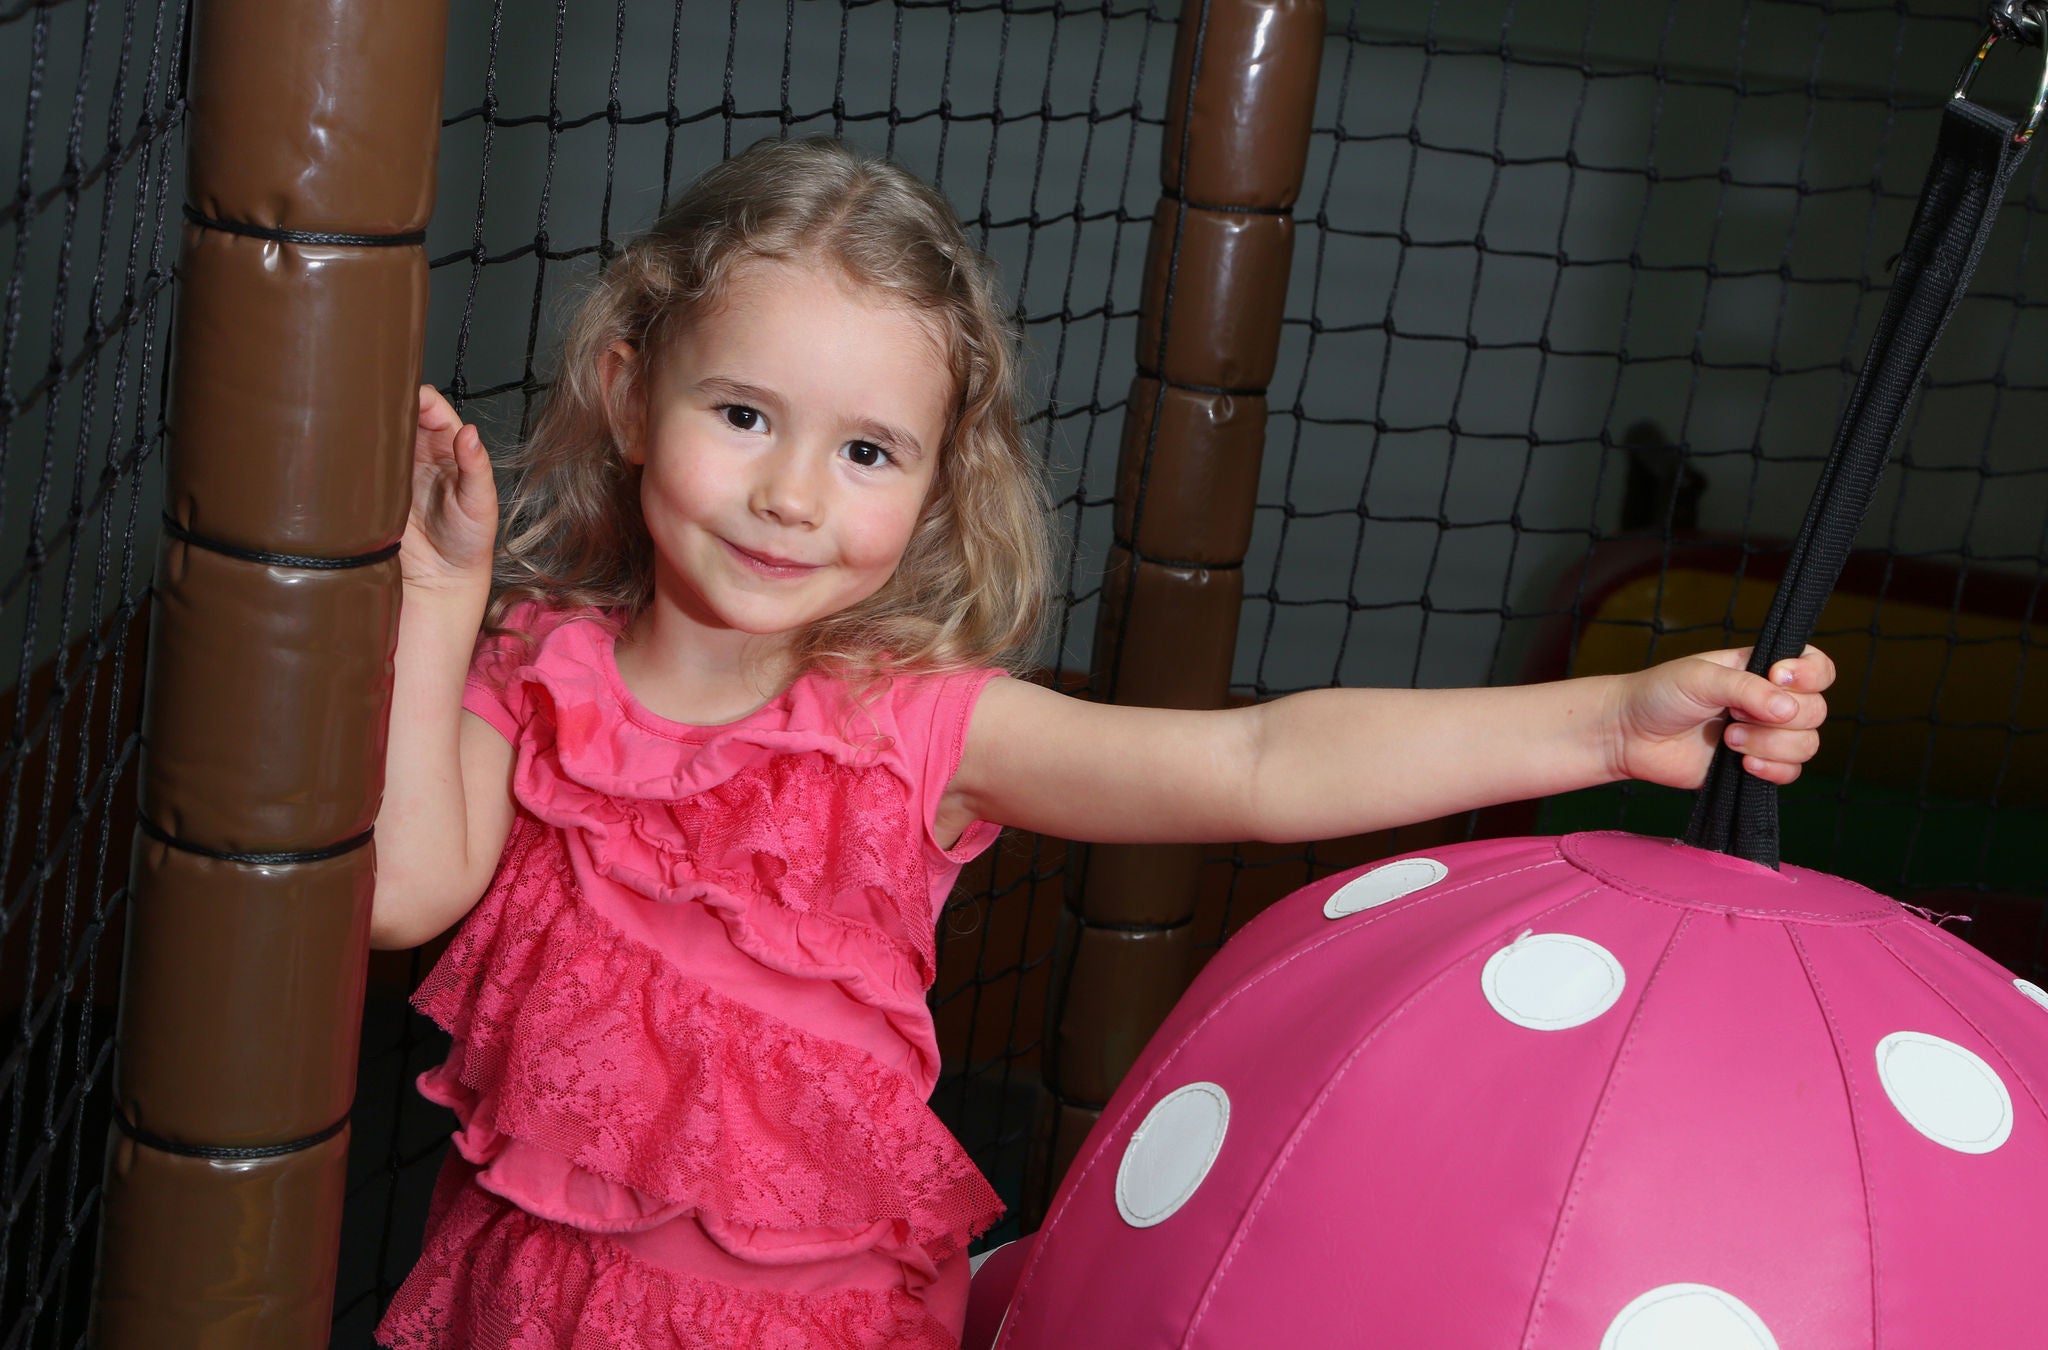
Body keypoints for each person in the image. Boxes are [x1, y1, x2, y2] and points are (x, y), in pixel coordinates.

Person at [370, 137, 1834, 1350]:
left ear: (938, 484)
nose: (794, 494)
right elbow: (399, 889)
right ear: (631, 395)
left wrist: (1605, 721)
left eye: (867, 449)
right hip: (534, 1305)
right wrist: (439, 600)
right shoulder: (541, 674)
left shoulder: (921, 724)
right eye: (744, 414)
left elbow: (1255, 768)